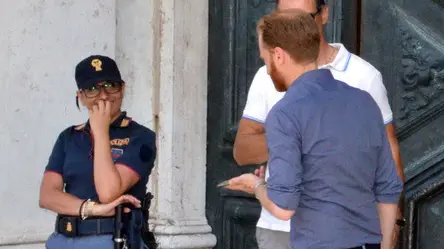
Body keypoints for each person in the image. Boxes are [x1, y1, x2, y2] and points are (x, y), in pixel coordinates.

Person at [233, 0, 405, 248]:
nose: (267, 70)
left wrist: (257, 185)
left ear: (279, 55)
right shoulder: (363, 101)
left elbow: (283, 207)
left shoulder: (286, 112)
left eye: (267, 60)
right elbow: (388, 186)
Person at [39, 55, 157, 249]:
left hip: (110, 239)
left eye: (110, 85)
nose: (103, 95)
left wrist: (101, 132)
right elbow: (47, 196)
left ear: (123, 89)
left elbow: (109, 193)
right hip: (62, 240)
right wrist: (95, 209)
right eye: (92, 89)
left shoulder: (140, 137)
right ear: (81, 97)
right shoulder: (69, 137)